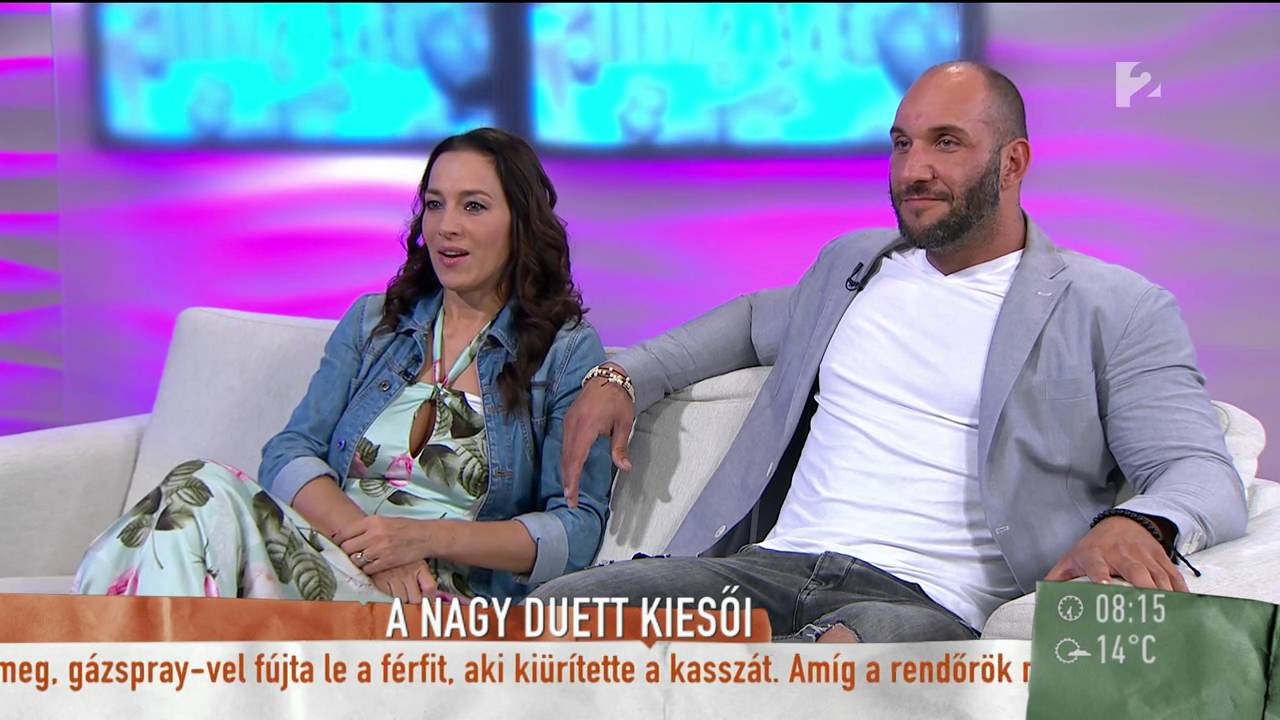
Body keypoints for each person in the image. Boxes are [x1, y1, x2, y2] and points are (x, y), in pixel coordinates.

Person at [535, 62, 1248, 642]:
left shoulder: (1114, 306)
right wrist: (623, 372)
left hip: (925, 601)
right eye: (902, 144)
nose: (913, 169)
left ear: (1013, 162)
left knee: (839, 662)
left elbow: (1199, 469)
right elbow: (751, 324)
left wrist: (1136, 521)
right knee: (558, 615)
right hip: (767, 571)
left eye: (946, 143)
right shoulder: (854, 267)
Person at [73, 128, 614, 604]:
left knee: (197, 495)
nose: (446, 226)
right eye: (434, 204)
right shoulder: (375, 323)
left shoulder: (564, 350)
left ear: (521, 223)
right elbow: (289, 452)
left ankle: (94, 665)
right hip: (336, 562)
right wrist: (373, 547)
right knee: (191, 492)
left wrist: (420, 539)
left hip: (438, 598)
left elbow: (575, 530)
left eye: (473, 206)